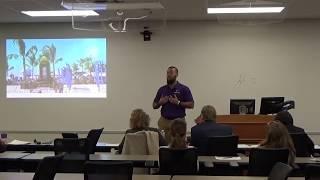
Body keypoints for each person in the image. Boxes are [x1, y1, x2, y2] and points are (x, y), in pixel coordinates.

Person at [153, 66, 194, 142]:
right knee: (163, 145)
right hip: (164, 121)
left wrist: (178, 102)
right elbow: (154, 105)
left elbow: (191, 104)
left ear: (176, 75)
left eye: (171, 73)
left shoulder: (184, 89)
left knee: (179, 145)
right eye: (167, 73)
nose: (168, 75)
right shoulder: (162, 89)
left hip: (178, 121)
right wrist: (160, 103)